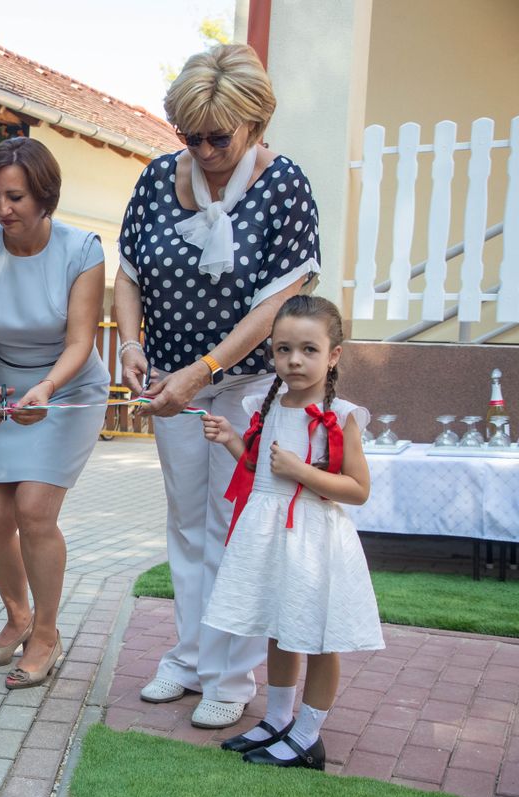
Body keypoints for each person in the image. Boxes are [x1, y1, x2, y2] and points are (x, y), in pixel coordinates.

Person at [114, 43, 320, 728]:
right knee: (186, 523)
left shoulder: (284, 185)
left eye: (217, 137)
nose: (202, 149)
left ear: (255, 125)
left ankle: (233, 672)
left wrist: (202, 373)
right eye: (189, 135)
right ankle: (192, 654)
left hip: (247, 386)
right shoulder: (153, 181)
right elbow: (130, 276)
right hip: (171, 384)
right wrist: (132, 345)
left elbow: (274, 308)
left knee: (234, 524)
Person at [201, 295, 382, 770]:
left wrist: (303, 470)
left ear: (334, 355)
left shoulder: (340, 416)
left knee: (319, 637)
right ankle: (277, 718)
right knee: (278, 631)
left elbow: (358, 489)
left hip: (314, 541)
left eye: (308, 349)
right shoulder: (269, 404)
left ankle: (308, 734)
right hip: (271, 538)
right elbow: (262, 471)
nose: (294, 360)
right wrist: (231, 440)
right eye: (283, 350)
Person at [0, 138, 108, 690]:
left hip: (66, 387)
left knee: (35, 510)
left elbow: (80, 340)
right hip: (3, 386)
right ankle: (17, 615)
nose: (3, 211)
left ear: (45, 195)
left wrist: (43, 389)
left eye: (15, 197)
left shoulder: (81, 248)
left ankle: (46, 633)